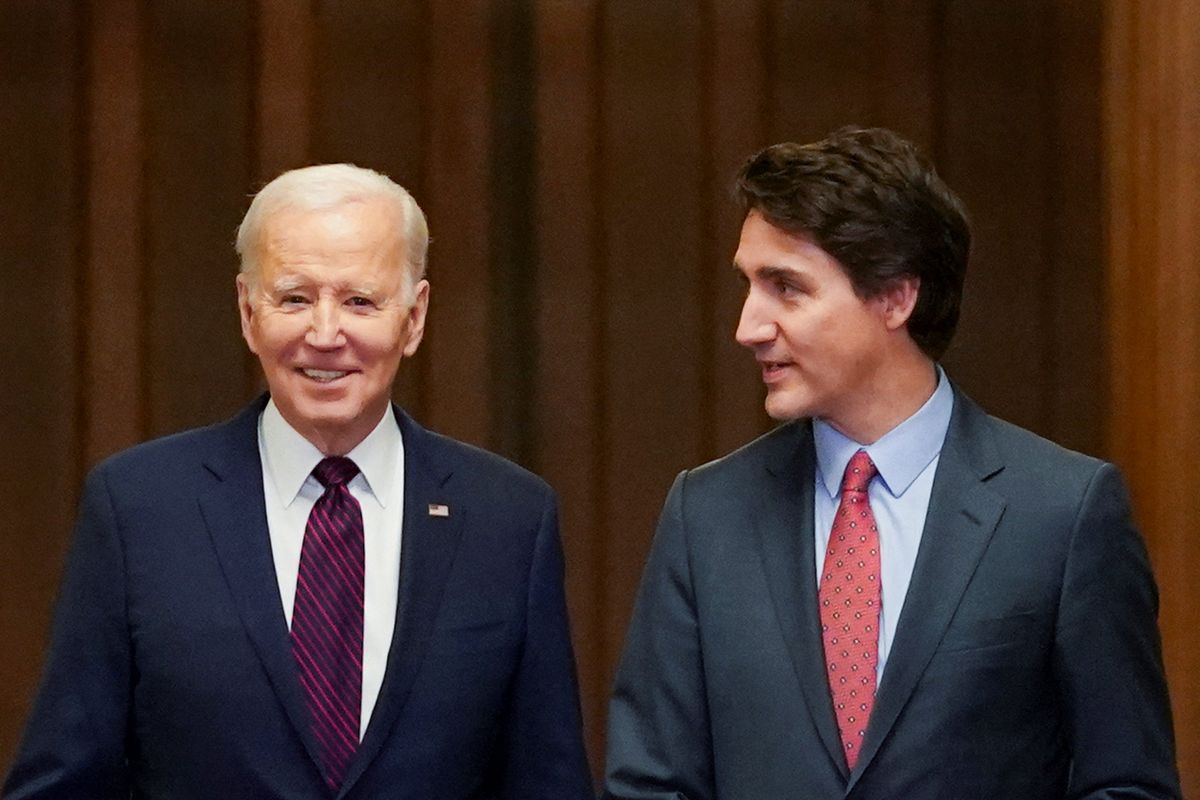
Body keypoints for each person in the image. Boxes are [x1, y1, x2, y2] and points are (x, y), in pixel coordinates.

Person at [603, 127, 1180, 798]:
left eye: (786, 288)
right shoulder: (706, 515)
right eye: (748, 285)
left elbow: (1128, 785)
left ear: (895, 297)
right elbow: (651, 784)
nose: (748, 326)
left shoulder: (1062, 513)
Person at [4, 164, 593, 799]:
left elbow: (546, 782)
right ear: (247, 311)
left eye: (360, 301)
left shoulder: (507, 520)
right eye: (294, 298)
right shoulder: (139, 510)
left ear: (415, 318)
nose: (324, 334)